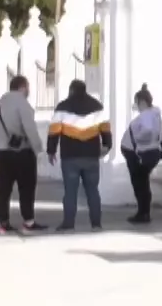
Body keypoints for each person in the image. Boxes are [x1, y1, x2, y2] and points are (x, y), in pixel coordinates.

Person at [47, 80, 113, 230]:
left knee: (70, 191)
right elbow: (106, 129)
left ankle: (68, 223)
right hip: (91, 156)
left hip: (70, 156)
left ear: (71, 90)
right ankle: (96, 223)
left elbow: (54, 131)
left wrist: (51, 151)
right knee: (92, 190)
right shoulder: (97, 106)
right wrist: (107, 145)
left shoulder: (62, 107)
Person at [0, 75, 46, 234]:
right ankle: (28, 221)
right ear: (22, 87)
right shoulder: (22, 104)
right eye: (28, 87)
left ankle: (4, 223)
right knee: (26, 187)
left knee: (3, 188)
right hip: (22, 153)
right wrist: (38, 149)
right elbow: (30, 128)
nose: (29, 91)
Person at [120, 84, 162, 225]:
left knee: (140, 183)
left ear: (143, 102)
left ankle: (143, 213)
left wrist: (138, 140)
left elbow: (148, 131)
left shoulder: (147, 115)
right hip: (144, 153)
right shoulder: (155, 114)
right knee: (143, 182)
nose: (137, 106)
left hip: (139, 154)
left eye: (137, 102)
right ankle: (143, 212)